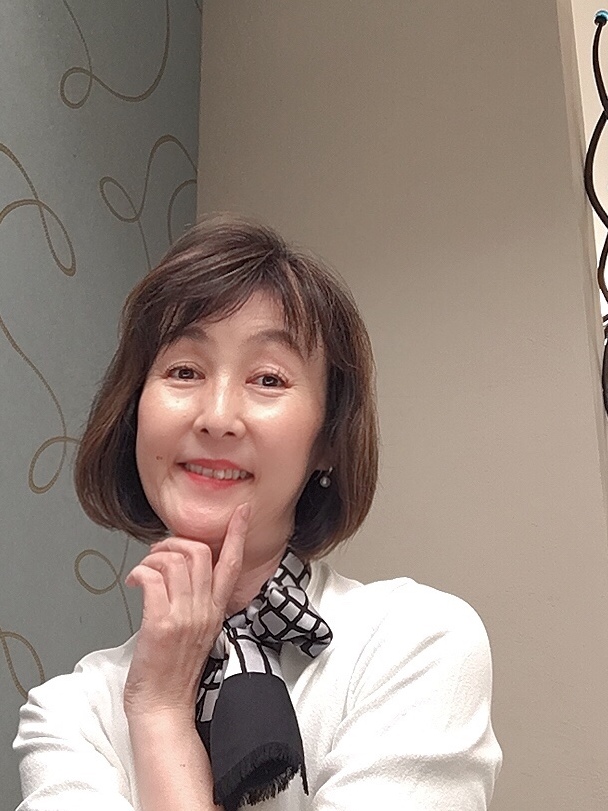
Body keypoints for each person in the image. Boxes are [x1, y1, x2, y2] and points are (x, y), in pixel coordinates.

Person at [13, 214, 502, 810]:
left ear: (327, 439)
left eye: (268, 379)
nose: (217, 416)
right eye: (184, 371)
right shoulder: (67, 715)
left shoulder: (418, 642)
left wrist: (163, 712)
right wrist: (157, 705)